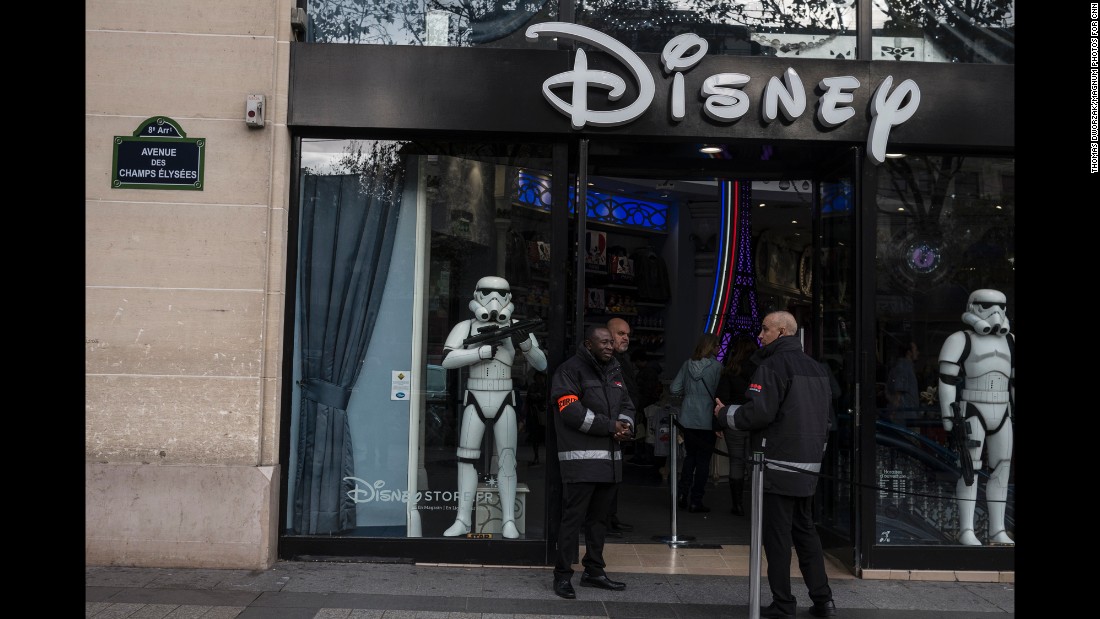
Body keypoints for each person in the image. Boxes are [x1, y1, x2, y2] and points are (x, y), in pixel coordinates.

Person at [713, 311, 836, 618]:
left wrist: (725, 413)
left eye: (766, 329)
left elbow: (759, 414)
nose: (760, 335)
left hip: (776, 465)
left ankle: (783, 603)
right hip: (808, 466)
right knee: (805, 532)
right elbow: (828, 419)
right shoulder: (818, 369)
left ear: (782, 331)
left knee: (777, 536)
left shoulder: (771, 366)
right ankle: (823, 599)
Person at [439, 276, 547, 539]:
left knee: (508, 459)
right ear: (477, 295)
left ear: (509, 298)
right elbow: (447, 359)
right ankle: (463, 519)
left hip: (503, 396)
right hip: (475, 395)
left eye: (500, 293)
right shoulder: (466, 326)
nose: (494, 299)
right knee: (466, 458)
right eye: (487, 293)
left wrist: (526, 345)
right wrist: (479, 353)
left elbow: (542, 364)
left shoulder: (517, 327)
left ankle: (508, 518)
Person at [549, 325, 635, 599]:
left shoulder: (615, 370)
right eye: (604, 342)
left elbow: (628, 405)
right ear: (588, 344)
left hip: (610, 463)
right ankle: (562, 576)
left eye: (612, 342)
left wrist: (626, 425)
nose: (610, 346)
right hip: (580, 463)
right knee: (572, 522)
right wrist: (611, 426)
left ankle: (594, 571)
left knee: (599, 523)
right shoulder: (569, 370)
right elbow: (571, 411)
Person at [937, 289, 1014, 546]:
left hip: (1003, 410)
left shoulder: (1011, 340)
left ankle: (997, 529)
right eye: (987, 306)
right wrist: (949, 418)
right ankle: (967, 529)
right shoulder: (960, 339)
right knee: (970, 471)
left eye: (1000, 307)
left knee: (1002, 470)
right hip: (972, 409)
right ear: (974, 307)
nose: (995, 313)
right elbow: (946, 381)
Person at [669, 332, 723, 513]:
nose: (719, 349)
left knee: (689, 457)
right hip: (708, 418)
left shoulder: (687, 364)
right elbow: (719, 393)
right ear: (712, 347)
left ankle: (682, 495)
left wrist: (689, 393)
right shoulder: (716, 367)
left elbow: (674, 388)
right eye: (717, 346)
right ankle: (696, 500)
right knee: (703, 461)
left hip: (687, 417)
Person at [715, 335, 759, 516]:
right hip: (755, 419)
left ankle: (738, 504)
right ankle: (757, 504)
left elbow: (721, 399)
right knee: (755, 464)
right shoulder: (760, 370)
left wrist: (719, 423)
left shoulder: (730, 371)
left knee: (736, 462)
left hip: (733, 419)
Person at [605, 317, 638, 536]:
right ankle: (604, 519)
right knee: (605, 477)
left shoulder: (623, 359)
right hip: (608, 425)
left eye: (627, 334)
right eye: (620, 333)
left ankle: (611, 516)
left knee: (615, 475)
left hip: (623, 423)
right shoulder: (605, 360)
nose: (626, 337)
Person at [887, 340, 920, 425]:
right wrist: (893, 413)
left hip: (907, 416)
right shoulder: (903, 368)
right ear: (909, 353)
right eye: (915, 350)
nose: (918, 353)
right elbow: (898, 394)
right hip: (904, 418)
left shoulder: (907, 368)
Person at [524, 371, 548, 466]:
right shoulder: (534, 387)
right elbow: (529, 399)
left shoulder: (546, 387)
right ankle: (536, 457)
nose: (540, 379)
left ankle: (539, 457)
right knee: (536, 438)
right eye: (539, 377)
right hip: (535, 416)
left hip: (543, 415)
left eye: (541, 377)